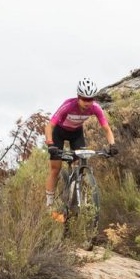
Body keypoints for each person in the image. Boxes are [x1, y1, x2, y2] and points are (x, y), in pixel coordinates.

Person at [44, 78, 117, 207]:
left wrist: (112, 145)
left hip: (76, 134)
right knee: (56, 169)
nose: (87, 103)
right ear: (78, 97)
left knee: (80, 163)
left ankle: (75, 193)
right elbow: (49, 126)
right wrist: (50, 144)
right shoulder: (68, 106)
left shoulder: (96, 108)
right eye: (84, 99)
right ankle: (49, 205)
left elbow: (107, 128)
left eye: (90, 99)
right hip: (59, 133)